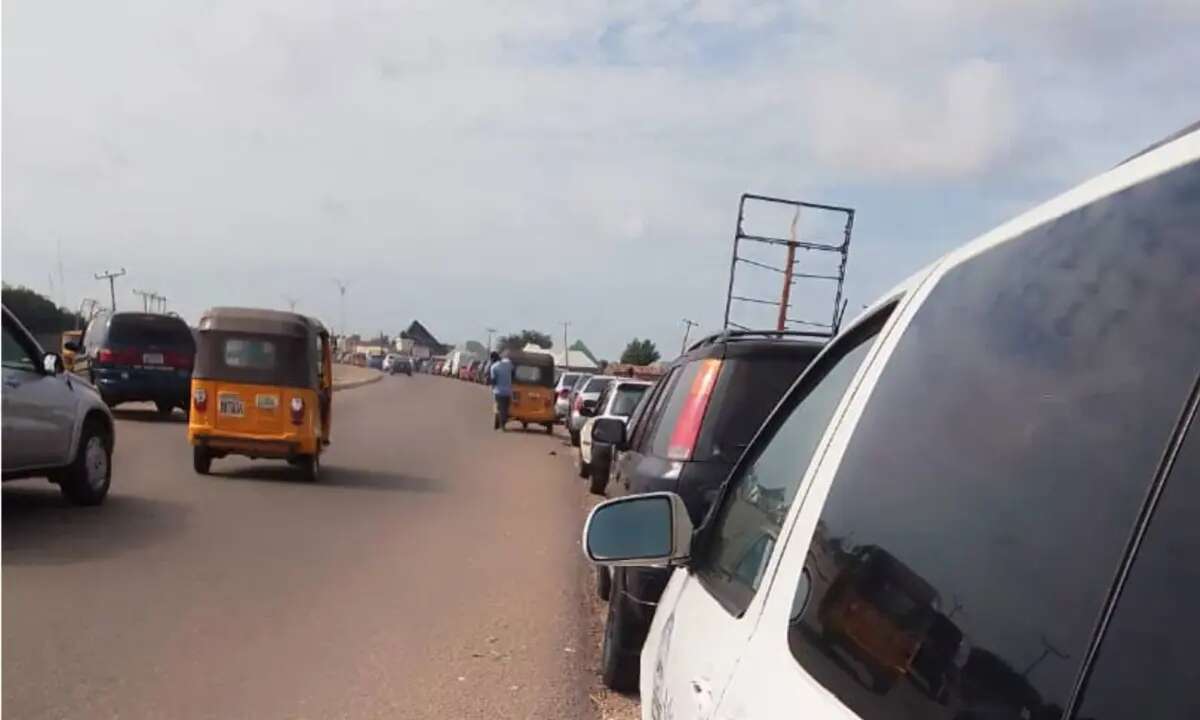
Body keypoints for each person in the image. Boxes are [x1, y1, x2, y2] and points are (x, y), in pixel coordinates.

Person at [488, 351, 514, 431]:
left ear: (492, 359)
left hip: (498, 391)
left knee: (498, 408)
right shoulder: (508, 363)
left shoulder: (494, 367)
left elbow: (493, 380)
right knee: (505, 408)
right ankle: (503, 424)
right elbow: (513, 372)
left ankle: (500, 424)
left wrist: (492, 387)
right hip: (508, 391)